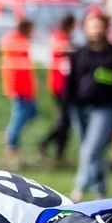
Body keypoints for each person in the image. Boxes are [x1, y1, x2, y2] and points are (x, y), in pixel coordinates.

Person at [64, 6, 112, 202]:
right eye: (92, 25)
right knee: (91, 152)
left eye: (99, 25)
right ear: (85, 28)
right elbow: (70, 85)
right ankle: (101, 192)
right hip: (80, 107)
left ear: (105, 28)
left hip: (104, 108)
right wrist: (64, 112)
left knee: (90, 150)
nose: (96, 29)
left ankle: (78, 189)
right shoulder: (79, 53)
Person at [37, 13, 77, 165]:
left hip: (64, 85)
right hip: (60, 86)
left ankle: (56, 150)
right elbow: (64, 51)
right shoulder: (60, 38)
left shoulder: (63, 38)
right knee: (65, 120)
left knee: (66, 121)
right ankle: (49, 145)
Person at [0, 19, 38, 163]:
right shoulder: (14, 41)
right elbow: (13, 69)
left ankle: (11, 134)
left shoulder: (21, 41)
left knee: (31, 113)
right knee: (19, 116)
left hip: (26, 87)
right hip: (18, 88)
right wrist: (15, 88)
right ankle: (11, 143)